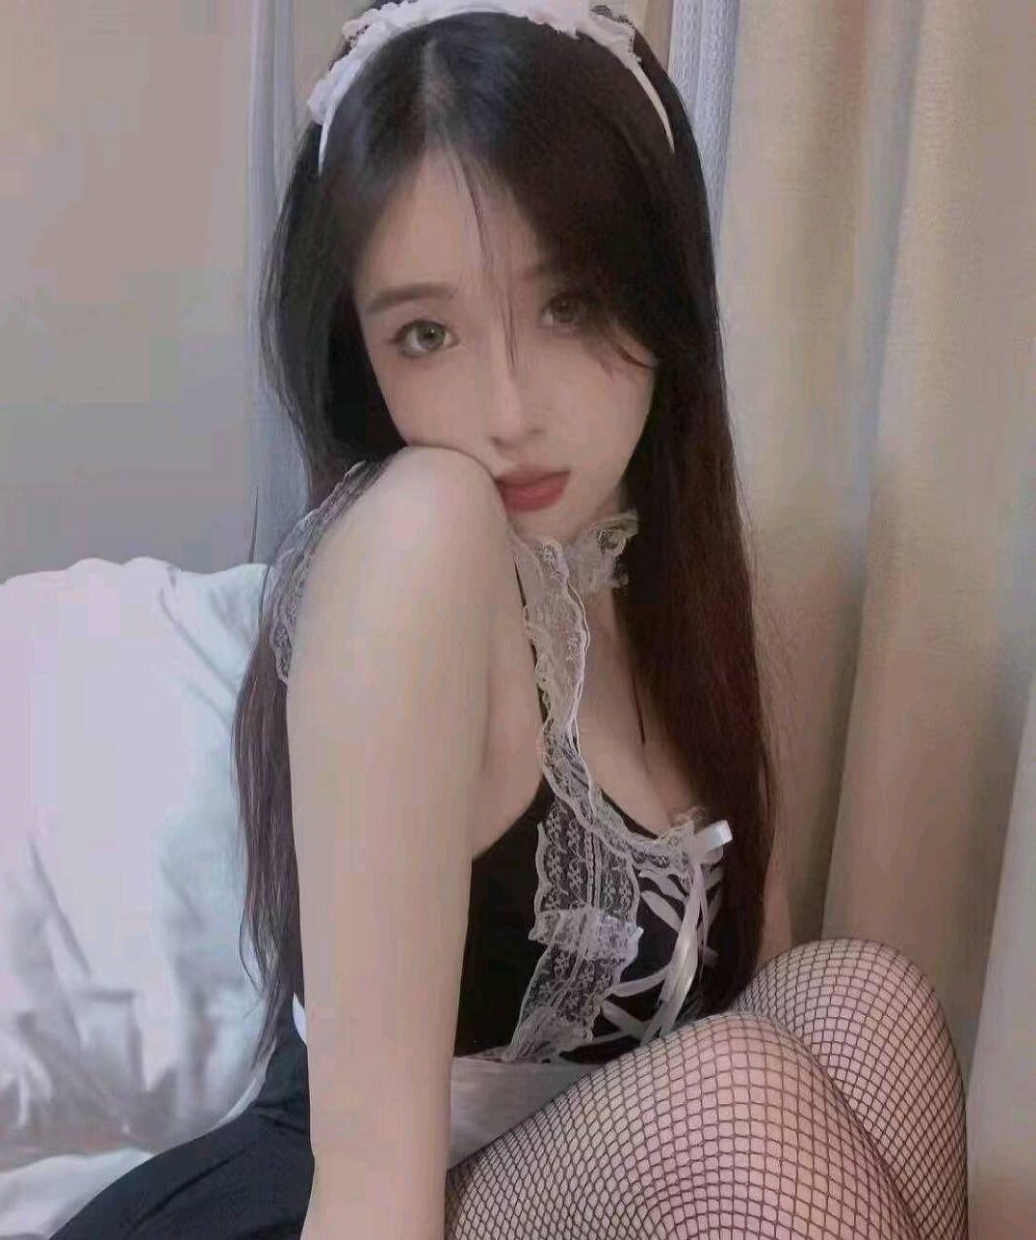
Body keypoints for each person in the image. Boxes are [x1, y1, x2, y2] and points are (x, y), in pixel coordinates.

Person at [51, 2, 969, 1238]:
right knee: (740, 1095)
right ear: (357, 352)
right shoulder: (425, 534)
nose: (507, 409)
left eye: (569, 305)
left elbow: (758, 1021)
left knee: (859, 1003)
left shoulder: (661, 584)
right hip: (353, 1205)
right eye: (425, 333)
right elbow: (370, 1179)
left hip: (602, 1189)